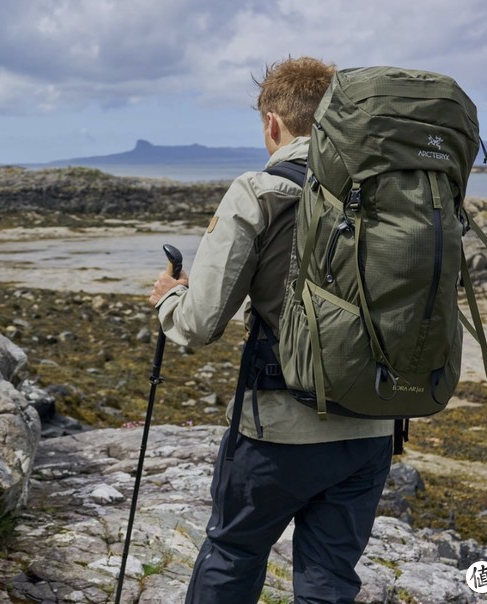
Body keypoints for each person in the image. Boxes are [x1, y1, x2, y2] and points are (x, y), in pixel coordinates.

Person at [147, 57, 394, 603]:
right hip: (373, 428)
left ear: (272, 124)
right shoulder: (389, 196)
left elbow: (200, 322)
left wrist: (170, 300)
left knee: (233, 555)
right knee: (329, 579)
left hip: (279, 429)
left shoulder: (260, 190)